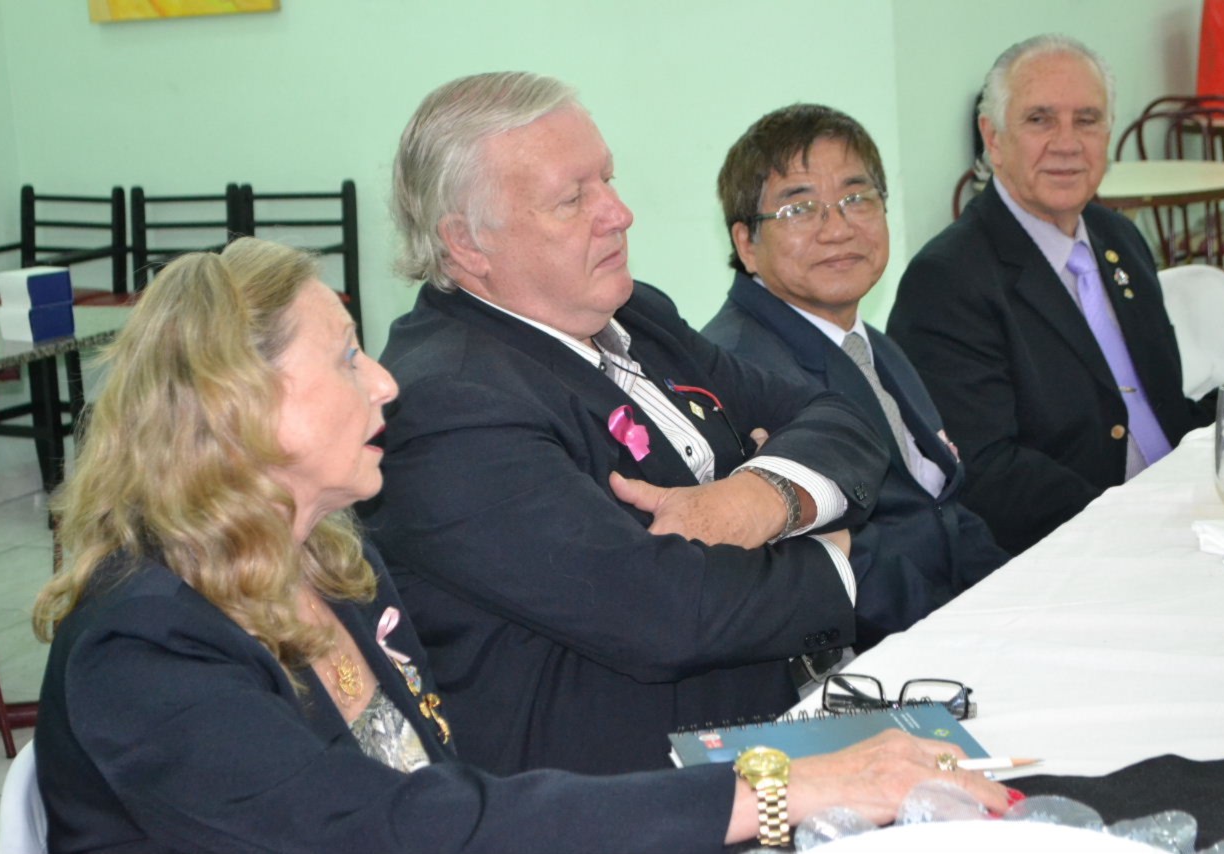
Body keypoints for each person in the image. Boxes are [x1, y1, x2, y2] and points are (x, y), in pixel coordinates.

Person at [29, 238, 1007, 853]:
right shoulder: (144, 642)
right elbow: (388, 828)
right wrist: (777, 790)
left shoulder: (329, 565)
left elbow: (447, 791)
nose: (384, 382)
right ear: (237, 405)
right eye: (345, 357)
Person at [364, 71, 892, 777]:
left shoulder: (634, 313)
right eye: (572, 199)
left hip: (772, 716)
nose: (619, 213)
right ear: (466, 244)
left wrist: (761, 498)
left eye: (607, 180)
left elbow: (836, 416)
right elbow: (666, 614)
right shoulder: (448, 403)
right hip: (628, 787)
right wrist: (847, 561)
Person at [887, 34, 1212, 556]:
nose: (1067, 143)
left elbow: (1161, 412)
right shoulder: (946, 281)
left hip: (1187, 519)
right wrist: (1142, 520)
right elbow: (987, 471)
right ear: (993, 138)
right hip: (1078, 551)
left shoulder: (1119, 238)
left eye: (1087, 120)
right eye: (1040, 119)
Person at [703, 104, 1008, 649]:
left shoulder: (871, 344)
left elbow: (942, 505)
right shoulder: (740, 370)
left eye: (857, 198)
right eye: (800, 209)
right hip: (890, 655)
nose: (838, 229)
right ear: (746, 243)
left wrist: (1023, 595)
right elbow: (830, 563)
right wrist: (975, 631)